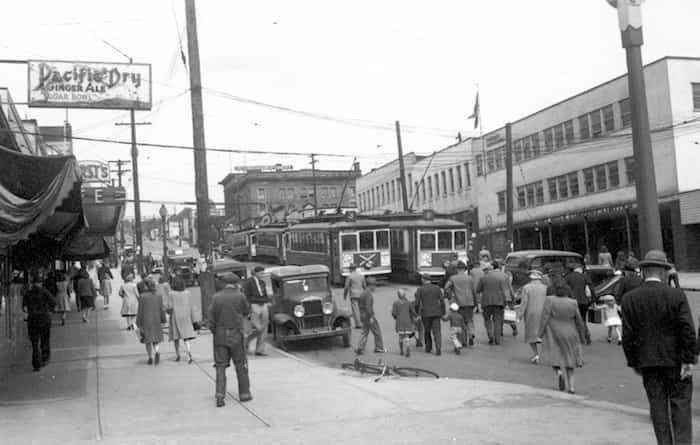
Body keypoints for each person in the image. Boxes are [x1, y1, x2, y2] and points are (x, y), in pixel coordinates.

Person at [621, 250, 697, 445]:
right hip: (676, 361)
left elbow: (628, 336)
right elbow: (687, 329)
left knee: (657, 407)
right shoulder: (675, 294)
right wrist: (689, 359)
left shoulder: (630, 299)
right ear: (663, 272)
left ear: (644, 272)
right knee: (680, 405)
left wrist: (634, 362)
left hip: (648, 361)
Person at [208, 272, 252, 407]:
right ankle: (244, 394)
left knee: (220, 366)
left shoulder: (216, 297)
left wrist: (216, 331)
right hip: (236, 334)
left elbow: (211, 320)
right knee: (241, 365)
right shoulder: (240, 296)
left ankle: (220, 395)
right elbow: (246, 313)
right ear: (236, 283)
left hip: (220, 335)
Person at [537, 277, 586, 394]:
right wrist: (583, 335)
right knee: (570, 359)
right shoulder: (573, 302)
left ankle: (559, 373)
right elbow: (579, 320)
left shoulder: (549, 300)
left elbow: (545, 317)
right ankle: (572, 387)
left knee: (554, 356)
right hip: (570, 331)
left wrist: (540, 333)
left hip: (553, 331)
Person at [23, 271, 55, 371]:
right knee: (45, 340)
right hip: (44, 319)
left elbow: (23, 307)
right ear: (40, 283)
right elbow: (53, 302)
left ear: (32, 283)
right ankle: (45, 359)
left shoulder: (28, 293)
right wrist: (50, 311)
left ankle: (36, 364)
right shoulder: (44, 292)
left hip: (32, 320)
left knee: (34, 343)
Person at [476, 261, 513, 345]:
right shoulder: (504, 276)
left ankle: (490, 336)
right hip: (499, 302)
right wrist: (508, 302)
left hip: (486, 302)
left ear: (491, 267)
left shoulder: (484, 277)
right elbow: (507, 290)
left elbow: (478, 290)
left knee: (487, 320)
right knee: (498, 320)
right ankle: (497, 339)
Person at [164, 276, 198, 363]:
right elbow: (191, 306)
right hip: (186, 316)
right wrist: (194, 319)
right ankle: (189, 353)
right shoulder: (188, 293)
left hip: (175, 316)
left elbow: (170, 306)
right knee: (186, 337)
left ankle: (178, 354)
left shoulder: (171, 293)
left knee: (176, 337)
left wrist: (167, 311)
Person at [518, 270, 548, 363]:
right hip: (544, 313)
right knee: (544, 334)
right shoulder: (545, 288)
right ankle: (544, 354)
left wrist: (520, 314)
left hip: (531, 313)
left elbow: (524, 302)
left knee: (531, 334)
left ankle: (536, 354)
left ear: (531, 278)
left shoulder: (526, 288)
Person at [444, 260, 476, 347]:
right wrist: (475, 302)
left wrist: (450, 296)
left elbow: (446, 287)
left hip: (458, 303)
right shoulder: (470, 278)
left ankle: (463, 340)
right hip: (469, 302)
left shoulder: (453, 278)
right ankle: (471, 333)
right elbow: (474, 291)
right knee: (469, 320)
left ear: (457, 269)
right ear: (465, 269)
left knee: (461, 322)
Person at [135, 279, 165, 365]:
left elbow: (140, 310)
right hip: (156, 319)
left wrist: (138, 323)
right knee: (155, 339)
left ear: (146, 286)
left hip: (146, 320)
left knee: (147, 340)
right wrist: (163, 320)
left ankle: (150, 357)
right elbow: (161, 309)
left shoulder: (142, 296)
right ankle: (157, 351)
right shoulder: (159, 296)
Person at [414, 274, 445, 355]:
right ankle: (438, 347)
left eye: (422, 279)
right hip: (436, 313)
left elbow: (417, 303)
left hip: (426, 313)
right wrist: (443, 312)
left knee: (427, 331)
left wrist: (416, 313)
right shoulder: (437, 288)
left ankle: (428, 347)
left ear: (424, 280)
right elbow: (442, 301)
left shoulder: (420, 289)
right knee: (437, 331)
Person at [242, 265, 270, 356]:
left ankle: (260, 350)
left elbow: (265, 293)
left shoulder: (262, 282)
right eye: (261, 273)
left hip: (263, 305)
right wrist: (248, 307)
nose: (262, 275)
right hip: (254, 305)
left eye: (263, 273)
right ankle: (246, 341)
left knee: (264, 327)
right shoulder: (248, 282)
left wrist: (267, 301)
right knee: (258, 328)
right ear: (256, 273)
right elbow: (246, 295)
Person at [565, 266, 595, 345]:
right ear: (581, 270)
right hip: (584, 301)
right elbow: (591, 289)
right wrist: (593, 300)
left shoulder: (568, 277)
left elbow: (565, 288)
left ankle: (574, 339)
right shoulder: (585, 277)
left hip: (572, 301)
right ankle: (586, 338)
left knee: (572, 320)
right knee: (583, 319)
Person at [355, 276, 385, 355]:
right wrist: (371, 316)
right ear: (371, 285)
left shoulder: (363, 293)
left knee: (364, 332)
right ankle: (379, 347)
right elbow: (368, 306)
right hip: (368, 315)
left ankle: (360, 348)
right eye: (374, 285)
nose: (375, 287)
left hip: (362, 315)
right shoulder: (368, 294)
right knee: (377, 331)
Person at [391, 288, 416, 357]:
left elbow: (394, 313)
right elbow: (412, 311)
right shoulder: (408, 302)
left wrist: (395, 317)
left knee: (400, 337)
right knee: (407, 336)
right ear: (404, 295)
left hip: (399, 321)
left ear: (398, 295)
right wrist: (414, 316)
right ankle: (407, 345)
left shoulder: (395, 303)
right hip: (407, 321)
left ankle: (401, 351)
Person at [343, 264, 365, 329]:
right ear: (356, 268)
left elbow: (346, 287)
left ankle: (358, 324)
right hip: (361, 294)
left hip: (353, 295)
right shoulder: (361, 276)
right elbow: (364, 286)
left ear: (351, 269)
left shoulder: (350, 276)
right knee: (361, 309)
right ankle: (363, 322)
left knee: (355, 310)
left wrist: (345, 295)